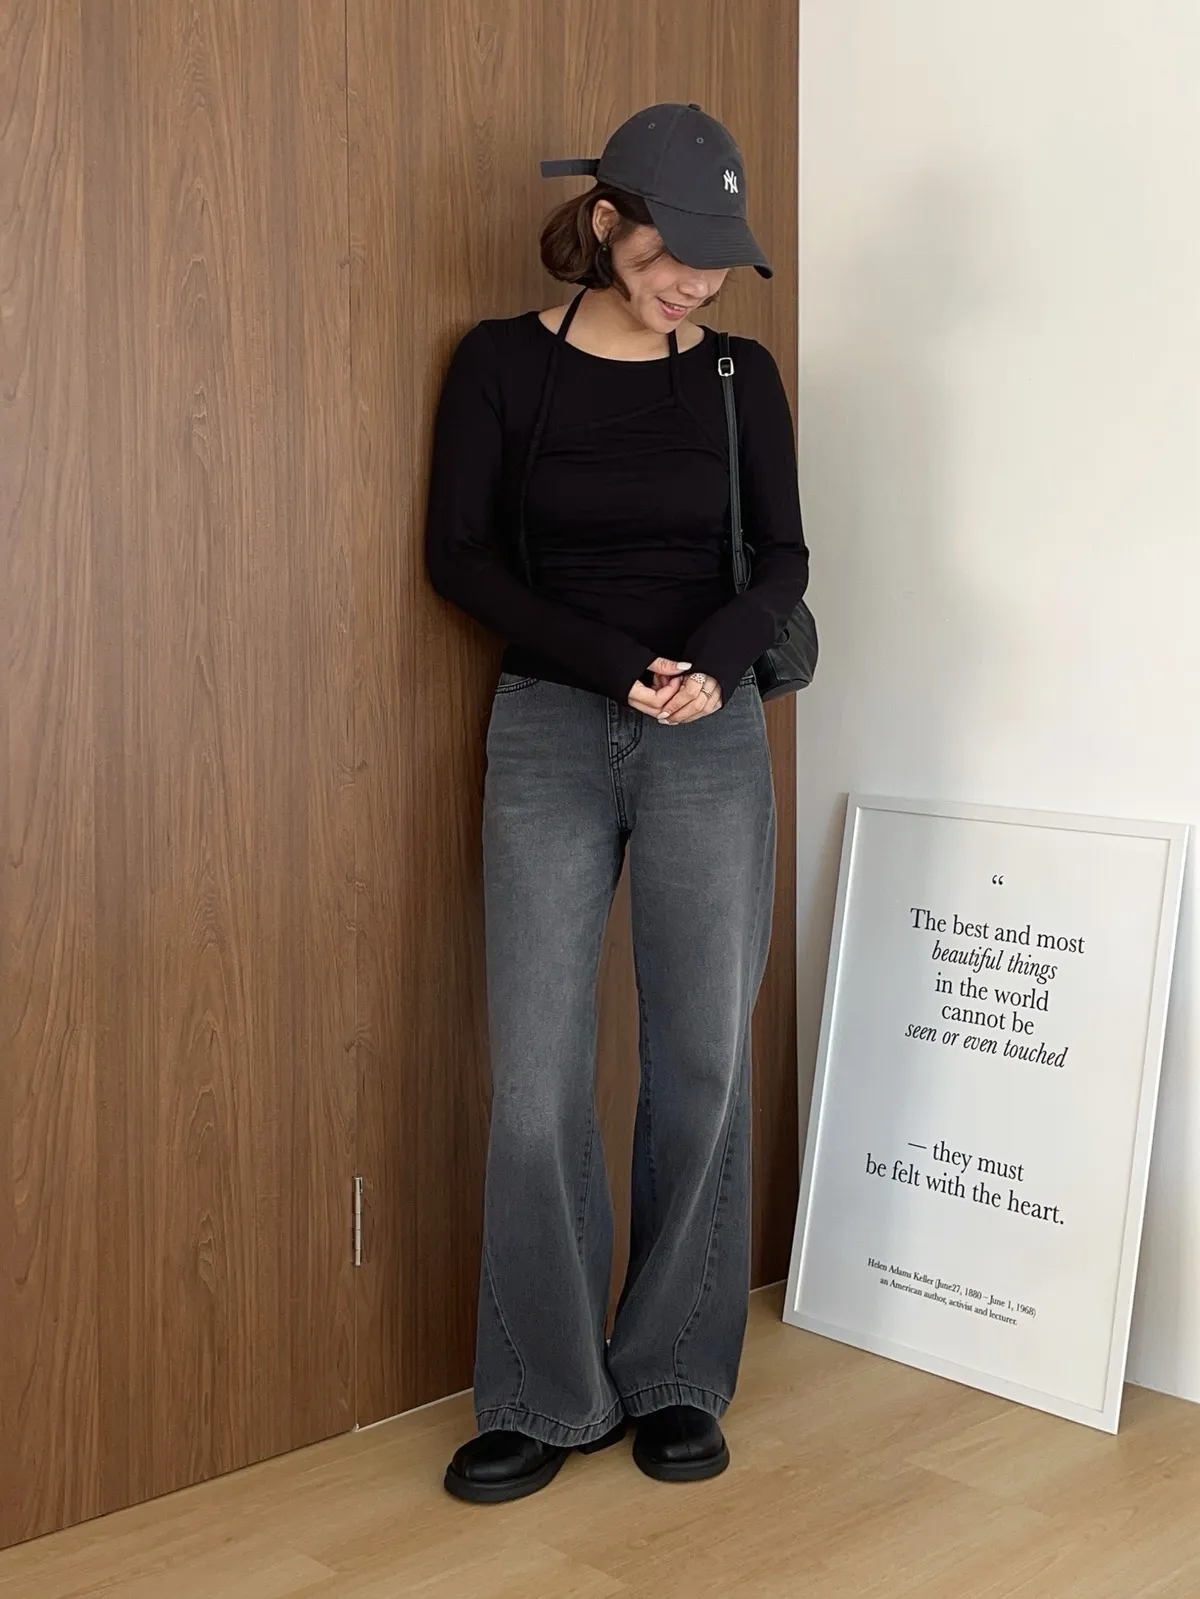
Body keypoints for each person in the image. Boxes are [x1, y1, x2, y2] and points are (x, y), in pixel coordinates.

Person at [425, 103, 808, 1505]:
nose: (691, 282)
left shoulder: (741, 377)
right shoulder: (499, 363)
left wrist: (710, 662)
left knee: (701, 1060)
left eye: (714, 261)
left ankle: (675, 1373)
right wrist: (612, 666)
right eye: (666, 252)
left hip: (710, 733)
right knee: (535, 1081)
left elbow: (784, 556)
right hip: (550, 726)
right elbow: (459, 557)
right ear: (604, 222)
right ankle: (544, 1393)